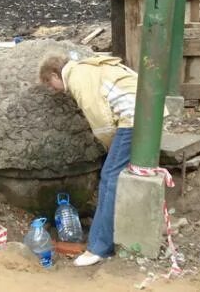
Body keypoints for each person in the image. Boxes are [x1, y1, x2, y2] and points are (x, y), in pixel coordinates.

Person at [39, 53, 138, 267]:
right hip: (140, 112)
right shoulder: (85, 69)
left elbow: (100, 118)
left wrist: (110, 144)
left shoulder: (77, 78)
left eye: (49, 82)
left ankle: (99, 247)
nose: (51, 88)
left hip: (132, 117)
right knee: (118, 174)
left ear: (56, 74)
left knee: (110, 177)